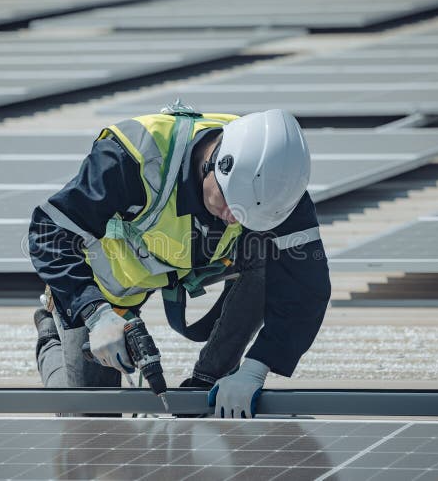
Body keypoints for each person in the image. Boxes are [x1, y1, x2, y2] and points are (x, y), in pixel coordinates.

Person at [28, 102, 331, 418]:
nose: (232, 220)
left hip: (190, 261)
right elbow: (48, 233)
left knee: (274, 259)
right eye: (230, 204)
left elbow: (305, 286)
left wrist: (255, 368)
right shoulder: (132, 156)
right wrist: (94, 313)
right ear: (215, 163)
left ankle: (207, 379)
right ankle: (51, 335)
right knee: (89, 418)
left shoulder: (274, 180)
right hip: (107, 283)